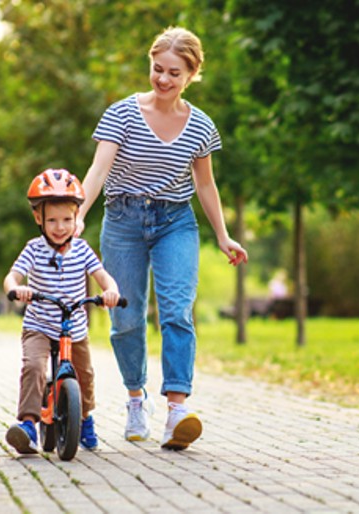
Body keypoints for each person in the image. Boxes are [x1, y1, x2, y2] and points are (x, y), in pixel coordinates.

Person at [75, 26, 248, 451]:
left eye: (174, 73)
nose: (164, 79)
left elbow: (205, 185)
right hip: (123, 220)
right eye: (157, 70)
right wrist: (77, 214)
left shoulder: (201, 126)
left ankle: (176, 412)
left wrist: (223, 236)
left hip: (175, 222)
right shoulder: (121, 114)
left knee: (176, 311)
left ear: (191, 75)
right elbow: (98, 171)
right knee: (126, 317)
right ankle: (136, 398)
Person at [4, 168, 121, 454]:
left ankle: (84, 417)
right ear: (38, 218)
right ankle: (29, 425)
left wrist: (111, 291)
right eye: (52, 220)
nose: (60, 227)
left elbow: (103, 276)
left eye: (67, 219)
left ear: (76, 218)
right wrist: (17, 290)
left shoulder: (82, 250)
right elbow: (12, 277)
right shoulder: (33, 249)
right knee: (33, 367)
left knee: (86, 375)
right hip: (40, 324)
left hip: (75, 327)